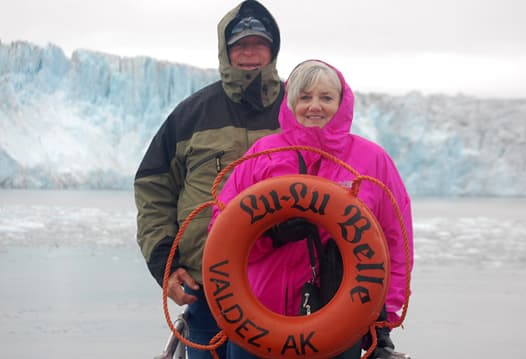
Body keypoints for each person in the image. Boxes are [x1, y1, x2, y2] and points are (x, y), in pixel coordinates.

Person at [210, 60, 414, 359]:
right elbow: (223, 236)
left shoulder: (372, 161)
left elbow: (396, 242)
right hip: (255, 318)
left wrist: (384, 319)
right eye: (305, 97)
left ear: (341, 102)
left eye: (326, 97)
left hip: (340, 321)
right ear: (291, 103)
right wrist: (273, 235)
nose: (314, 106)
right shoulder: (263, 155)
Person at [134, 1, 283, 358]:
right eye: (240, 45)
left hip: (283, 288)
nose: (249, 54)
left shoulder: (297, 108)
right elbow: (153, 191)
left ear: (273, 50)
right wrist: (166, 268)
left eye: (258, 44)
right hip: (206, 286)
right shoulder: (191, 115)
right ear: (225, 50)